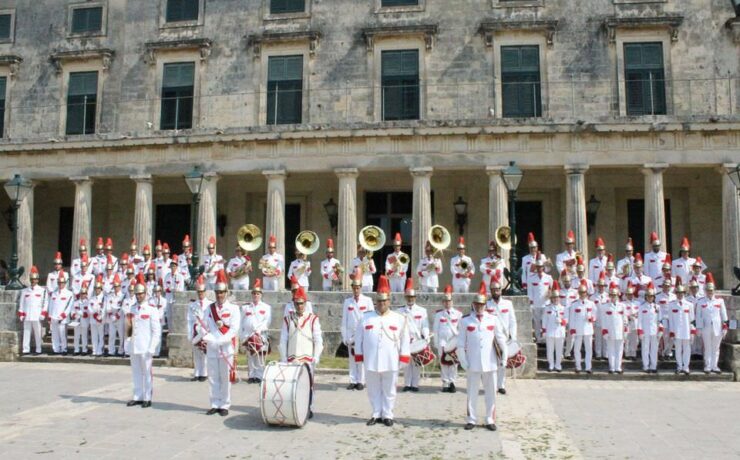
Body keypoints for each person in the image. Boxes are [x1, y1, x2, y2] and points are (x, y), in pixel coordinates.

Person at [354, 275, 410, 427]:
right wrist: (359, 356)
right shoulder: (366, 317)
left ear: (389, 301)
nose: (382, 304)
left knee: (389, 389)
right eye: (379, 301)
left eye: (384, 301)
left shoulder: (398, 318)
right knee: (372, 388)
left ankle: (388, 414)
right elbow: (358, 338)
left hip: (390, 359)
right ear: (375, 302)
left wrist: (404, 357)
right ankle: (376, 413)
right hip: (371, 359)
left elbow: (405, 339)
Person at [458, 284, 507, 431]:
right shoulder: (465, 320)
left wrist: (504, 357)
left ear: (485, 305)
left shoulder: (492, 319)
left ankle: (490, 419)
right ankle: (471, 419)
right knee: (472, 392)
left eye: (482, 304)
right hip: (472, 362)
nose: (479, 307)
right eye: (477, 304)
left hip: (490, 362)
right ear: (473, 305)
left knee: (491, 392)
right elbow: (460, 342)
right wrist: (463, 360)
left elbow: (501, 339)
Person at [279, 286, 323, 419]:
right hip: (292, 358)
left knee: (308, 385)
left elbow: (318, 339)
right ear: (293, 304)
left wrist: (316, 356)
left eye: (302, 303)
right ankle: (294, 408)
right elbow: (283, 339)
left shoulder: (313, 319)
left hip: (307, 358)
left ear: (305, 303)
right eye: (297, 304)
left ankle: (309, 408)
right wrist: (284, 358)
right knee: (292, 386)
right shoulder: (288, 319)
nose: (299, 306)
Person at [201, 270, 241, 416]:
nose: (219, 295)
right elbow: (203, 326)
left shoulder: (234, 308)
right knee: (212, 377)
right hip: (212, 347)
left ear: (227, 292)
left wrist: (221, 340)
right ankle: (214, 403)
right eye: (217, 292)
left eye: (222, 292)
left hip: (225, 348)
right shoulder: (209, 309)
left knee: (225, 378)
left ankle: (224, 404)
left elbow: (234, 329)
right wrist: (207, 337)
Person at [126, 274, 161, 409]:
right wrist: (127, 344)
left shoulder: (152, 310)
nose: (139, 296)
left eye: (141, 294)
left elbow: (156, 331)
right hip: (134, 346)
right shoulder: (132, 308)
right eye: (137, 294)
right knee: (136, 372)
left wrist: (152, 347)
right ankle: (137, 396)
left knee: (147, 372)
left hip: (146, 346)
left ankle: (147, 397)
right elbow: (128, 328)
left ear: (146, 294)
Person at [340, 272, 373, 390]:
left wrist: (369, 335)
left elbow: (371, 318)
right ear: (352, 288)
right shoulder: (348, 302)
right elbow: (344, 320)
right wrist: (345, 336)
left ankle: (361, 381)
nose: (356, 290)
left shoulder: (367, 300)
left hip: (363, 333)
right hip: (351, 333)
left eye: (358, 288)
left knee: (361, 358)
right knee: (352, 358)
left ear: (361, 288)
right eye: (354, 288)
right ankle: (353, 380)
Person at [398, 278, 429, 393]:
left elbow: (425, 325)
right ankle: (407, 384)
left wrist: (426, 336)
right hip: (405, 340)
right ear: (405, 298)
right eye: (408, 297)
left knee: (416, 363)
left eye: (412, 297)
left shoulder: (422, 311)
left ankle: (415, 384)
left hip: (417, 340)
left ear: (415, 298)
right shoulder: (399, 311)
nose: (410, 299)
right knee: (406, 363)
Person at [486, 274, 516, 394]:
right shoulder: (487, 305)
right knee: (492, 361)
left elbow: (513, 321)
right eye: (493, 290)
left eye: (498, 289)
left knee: (503, 361)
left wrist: (513, 335)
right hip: (491, 337)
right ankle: (492, 385)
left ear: (501, 290)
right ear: (491, 291)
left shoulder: (508, 304)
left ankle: (501, 385)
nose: (496, 292)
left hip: (504, 336)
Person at [240, 279, 272, 384]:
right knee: (250, 356)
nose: (255, 295)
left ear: (261, 295)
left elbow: (267, 321)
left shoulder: (267, 307)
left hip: (260, 335)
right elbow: (242, 321)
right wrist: (241, 335)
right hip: (248, 335)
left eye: (258, 293)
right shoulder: (246, 307)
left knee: (260, 356)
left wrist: (258, 330)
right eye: (254, 293)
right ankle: (251, 375)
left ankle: (259, 376)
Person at [696, 273, 728, 374]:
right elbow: (698, 316)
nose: (710, 292)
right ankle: (708, 366)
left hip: (717, 327)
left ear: (714, 290)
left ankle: (715, 366)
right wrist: (699, 328)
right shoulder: (701, 302)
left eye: (711, 290)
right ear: (705, 291)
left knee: (716, 347)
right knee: (707, 347)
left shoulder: (719, 301)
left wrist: (725, 326)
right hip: (705, 327)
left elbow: (724, 314)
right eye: (708, 290)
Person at [433, 285, 462, 393]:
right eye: (445, 301)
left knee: (454, 362)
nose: (447, 303)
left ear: (452, 301)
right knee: (443, 362)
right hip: (442, 342)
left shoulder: (458, 314)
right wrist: (436, 342)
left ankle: (452, 382)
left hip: (454, 342)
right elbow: (435, 330)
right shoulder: (439, 314)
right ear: (443, 302)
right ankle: (445, 382)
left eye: (449, 301)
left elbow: (460, 328)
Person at [17, 266, 48, 355]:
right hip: (27, 315)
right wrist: (21, 313)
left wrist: (43, 313)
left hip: (37, 315)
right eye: (32, 279)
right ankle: (26, 349)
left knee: (38, 333)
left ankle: (38, 349)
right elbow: (22, 303)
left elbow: (45, 303)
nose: (33, 281)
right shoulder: (25, 291)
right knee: (26, 332)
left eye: (35, 279)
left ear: (38, 280)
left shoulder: (42, 290)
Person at [568, 279, 596, 374]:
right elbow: (571, 317)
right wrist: (572, 329)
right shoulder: (574, 304)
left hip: (588, 329)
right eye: (581, 292)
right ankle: (578, 366)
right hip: (578, 329)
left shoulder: (591, 304)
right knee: (577, 349)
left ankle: (588, 367)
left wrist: (592, 318)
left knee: (589, 349)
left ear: (586, 293)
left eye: (584, 292)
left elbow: (595, 315)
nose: (582, 294)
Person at [668, 279, 695, 375]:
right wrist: (671, 332)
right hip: (676, 330)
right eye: (678, 293)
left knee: (687, 349)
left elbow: (692, 320)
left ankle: (686, 367)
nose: (680, 294)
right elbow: (670, 319)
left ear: (684, 293)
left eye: (681, 293)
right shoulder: (671, 304)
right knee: (678, 349)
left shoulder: (689, 305)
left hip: (686, 330)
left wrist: (692, 332)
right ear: (676, 293)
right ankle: (679, 366)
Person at [187, 275, 210, 382]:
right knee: (196, 353)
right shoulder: (192, 305)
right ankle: (197, 373)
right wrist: (189, 333)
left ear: (205, 292)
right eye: (199, 292)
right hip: (195, 330)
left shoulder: (210, 304)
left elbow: (211, 320)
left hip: (205, 331)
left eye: (202, 292)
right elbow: (189, 320)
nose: (200, 294)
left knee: (204, 352)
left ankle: (204, 373)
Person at [600, 282, 626, 374]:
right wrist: (604, 331)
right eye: (611, 295)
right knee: (610, 350)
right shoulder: (605, 306)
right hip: (610, 331)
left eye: (615, 295)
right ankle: (611, 367)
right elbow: (603, 320)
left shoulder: (622, 306)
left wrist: (625, 331)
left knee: (619, 350)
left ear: (618, 295)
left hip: (620, 331)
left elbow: (625, 319)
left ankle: (618, 367)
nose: (613, 297)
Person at [542, 281, 567, 372]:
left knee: (559, 350)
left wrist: (562, 321)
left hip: (560, 331)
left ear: (559, 298)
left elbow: (566, 320)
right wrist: (544, 331)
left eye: (557, 297)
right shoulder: (547, 308)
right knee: (550, 350)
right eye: (554, 298)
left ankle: (558, 364)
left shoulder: (563, 308)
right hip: (550, 331)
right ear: (551, 298)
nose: (555, 299)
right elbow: (544, 320)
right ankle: (551, 364)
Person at [637, 283, 662, 373]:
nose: (650, 298)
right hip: (645, 330)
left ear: (654, 297)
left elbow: (660, 320)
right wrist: (640, 331)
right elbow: (639, 320)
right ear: (646, 297)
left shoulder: (657, 307)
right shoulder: (642, 307)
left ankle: (653, 366)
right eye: (648, 296)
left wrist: (660, 330)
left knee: (654, 349)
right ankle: (646, 366)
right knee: (645, 349)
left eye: (651, 296)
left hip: (655, 331)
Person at [47, 271, 74, 355]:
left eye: (62, 283)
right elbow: (51, 305)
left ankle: (64, 349)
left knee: (63, 334)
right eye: (59, 283)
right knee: (54, 335)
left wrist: (63, 316)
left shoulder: (69, 294)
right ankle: (56, 349)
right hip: (54, 316)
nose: (60, 284)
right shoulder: (54, 293)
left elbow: (69, 306)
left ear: (65, 283)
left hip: (63, 318)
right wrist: (49, 316)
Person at [528, 257, 552, 344]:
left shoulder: (548, 277)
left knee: (546, 321)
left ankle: (545, 338)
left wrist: (550, 294)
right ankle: (538, 339)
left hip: (546, 303)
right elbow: (530, 291)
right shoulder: (531, 278)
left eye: (541, 267)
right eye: (537, 267)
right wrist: (531, 303)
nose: (539, 269)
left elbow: (552, 289)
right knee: (537, 322)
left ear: (543, 267)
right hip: (536, 303)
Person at [105, 273, 126, 356]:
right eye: (115, 286)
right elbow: (107, 305)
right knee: (112, 334)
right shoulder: (110, 296)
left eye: (117, 286)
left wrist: (118, 315)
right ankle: (111, 350)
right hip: (111, 316)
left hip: (120, 317)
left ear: (120, 287)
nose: (116, 288)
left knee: (121, 335)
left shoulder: (123, 296)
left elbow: (124, 306)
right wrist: (110, 314)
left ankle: (121, 350)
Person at [163, 256, 186, 330]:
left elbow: (181, 289)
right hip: (169, 298)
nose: (173, 267)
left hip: (176, 300)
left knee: (176, 316)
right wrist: (171, 289)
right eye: (172, 266)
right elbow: (165, 287)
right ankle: (170, 330)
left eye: (174, 266)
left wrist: (174, 289)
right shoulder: (167, 276)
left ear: (176, 266)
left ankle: (176, 330)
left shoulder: (180, 276)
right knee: (169, 316)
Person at [656, 277, 676, 360]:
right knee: (664, 336)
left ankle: (669, 352)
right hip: (663, 318)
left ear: (670, 286)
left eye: (668, 286)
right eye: (665, 286)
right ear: (662, 286)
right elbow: (656, 308)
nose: (666, 287)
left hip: (672, 319)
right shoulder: (658, 296)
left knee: (672, 336)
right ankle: (662, 353)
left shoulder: (674, 296)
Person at [590, 272, 608, 360]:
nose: (601, 287)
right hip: (597, 320)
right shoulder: (593, 297)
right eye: (599, 286)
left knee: (605, 338)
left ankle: (605, 354)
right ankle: (598, 354)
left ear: (605, 287)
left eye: (602, 286)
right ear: (597, 286)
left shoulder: (608, 297)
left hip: (606, 320)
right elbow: (591, 309)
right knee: (597, 338)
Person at [89, 275, 106, 357]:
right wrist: (94, 313)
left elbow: (104, 309)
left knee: (101, 335)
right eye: (96, 288)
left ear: (101, 289)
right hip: (93, 319)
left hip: (100, 320)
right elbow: (89, 309)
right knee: (94, 336)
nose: (97, 290)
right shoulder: (91, 298)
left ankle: (100, 350)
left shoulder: (104, 298)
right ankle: (94, 350)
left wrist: (100, 316)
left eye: (98, 288)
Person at [71, 283, 90, 355]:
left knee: (84, 336)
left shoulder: (88, 302)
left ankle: (84, 350)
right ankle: (76, 349)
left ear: (86, 294)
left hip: (84, 321)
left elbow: (87, 312)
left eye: (84, 293)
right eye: (82, 293)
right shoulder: (76, 302)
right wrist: (73, 314)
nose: (83, 295)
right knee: (76, 336)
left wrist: (80, 313)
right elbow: (72, 310)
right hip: (76, 320)